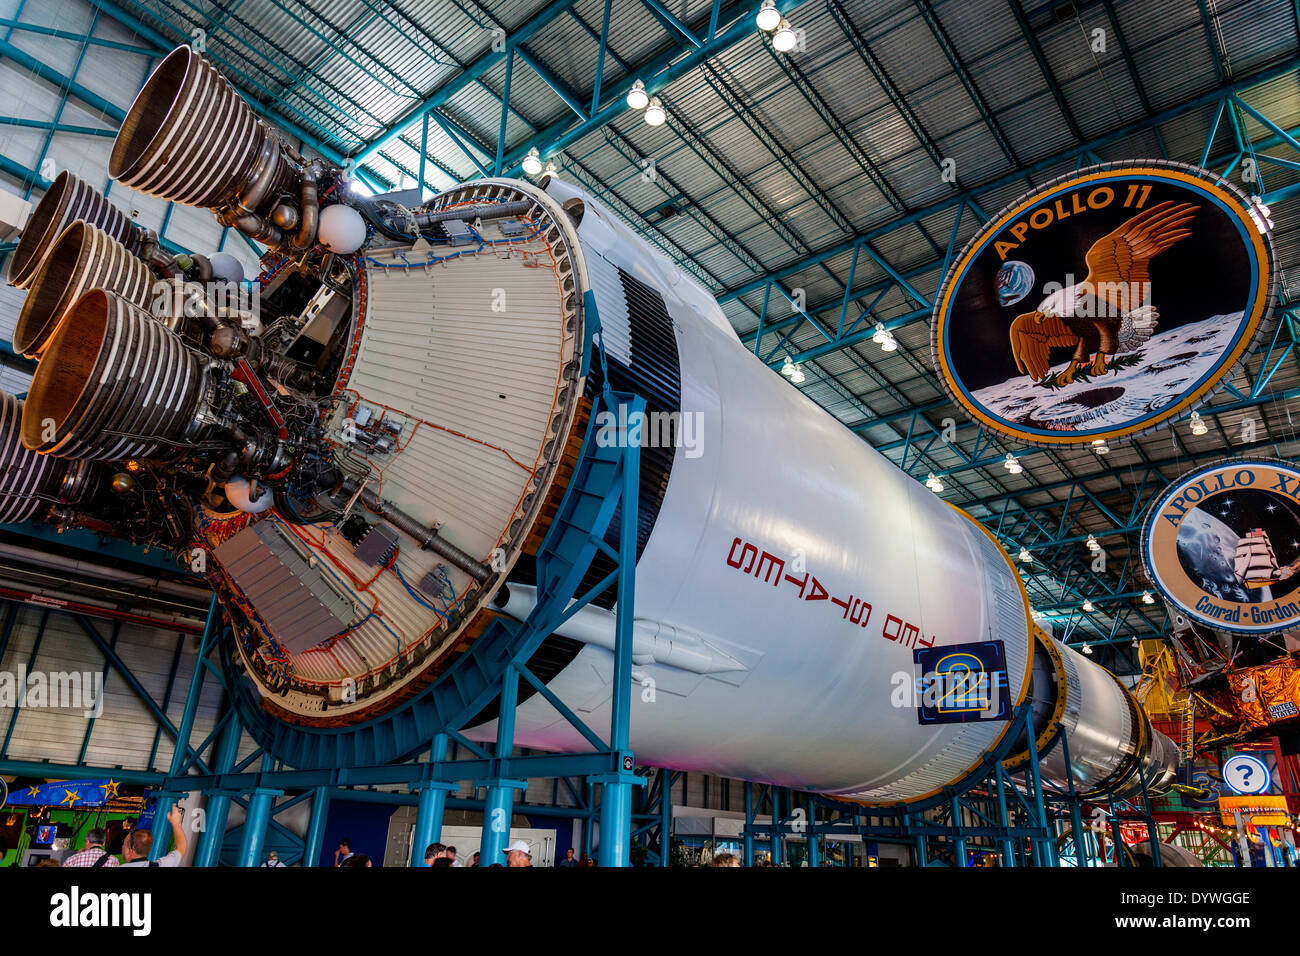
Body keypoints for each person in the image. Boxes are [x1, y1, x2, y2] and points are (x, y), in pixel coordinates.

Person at [121, 806, 188, 867]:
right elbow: (181, 848)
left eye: (124, 844)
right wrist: (176, 824)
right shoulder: (160, 865)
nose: (122, 847)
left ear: (130, 852)